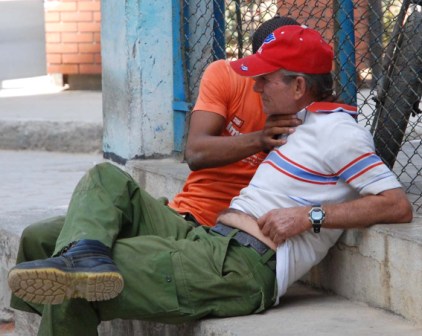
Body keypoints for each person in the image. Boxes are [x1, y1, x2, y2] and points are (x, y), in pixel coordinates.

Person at [8, 25, 413, 336]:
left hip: (241, 266)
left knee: (70, 281)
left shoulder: (339, 132)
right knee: (75, 207)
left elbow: (397, 204)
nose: (254, 87)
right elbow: (198, 153)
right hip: (209, 240)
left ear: (300, 86)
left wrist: (310, 216)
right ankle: (85, 256)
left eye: (265, 79)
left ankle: (82, 270)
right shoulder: (296, 122)